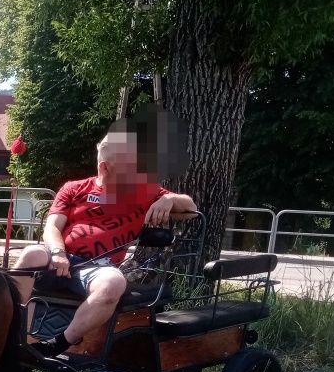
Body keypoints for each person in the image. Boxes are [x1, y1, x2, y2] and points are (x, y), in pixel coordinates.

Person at [13, 129, 197, 356]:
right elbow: (51, 227)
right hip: (60, 258)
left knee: (114, 283)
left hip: (98, 268)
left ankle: (58, 343)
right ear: (104, 167)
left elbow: (191, 210)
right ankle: (15, 335)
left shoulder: (141, 191)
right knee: (31, 253)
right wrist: (59, 252)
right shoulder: (74, 188)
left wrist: (169, 199)